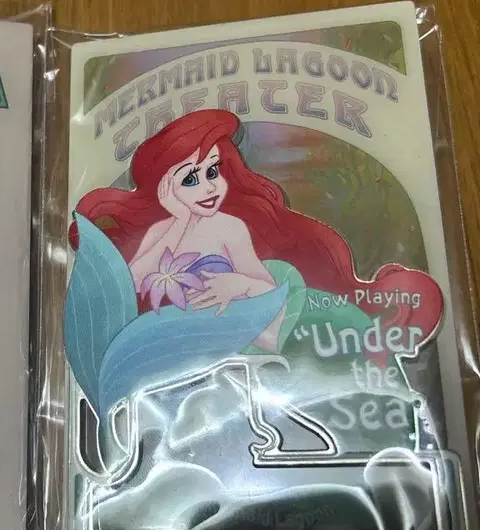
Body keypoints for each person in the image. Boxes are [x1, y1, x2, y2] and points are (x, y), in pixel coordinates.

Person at [70, 109, 440, 351]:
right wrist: (178, 223)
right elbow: (129, 284)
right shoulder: (159, 233)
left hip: (242, 345)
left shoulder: (228, 228)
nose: (209, 187)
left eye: (212, 171)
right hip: (183, 351)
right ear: (165, 187)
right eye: (190, 179)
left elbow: (272, 294)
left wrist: (240, 285)